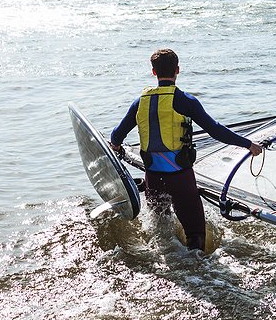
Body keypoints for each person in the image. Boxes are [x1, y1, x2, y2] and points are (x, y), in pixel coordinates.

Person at [110, 48, 262, 251]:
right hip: (181, 178)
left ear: (154, 72)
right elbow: (215, 130)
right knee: (196, 235)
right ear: (177, 70)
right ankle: (196, 267)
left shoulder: (140, 102)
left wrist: (116, 146)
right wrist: (248, 144)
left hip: (153, 178)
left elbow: (116, 135)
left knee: (160, 233)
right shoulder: (186, 101)